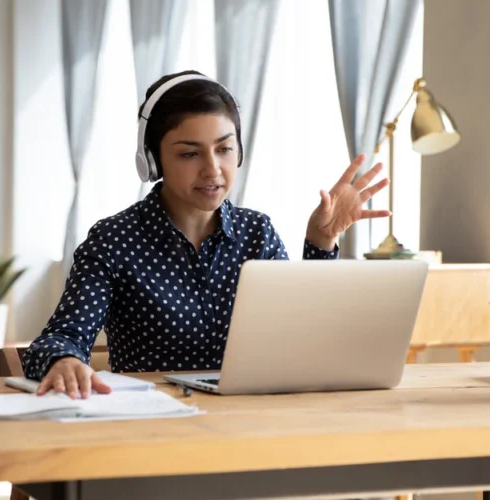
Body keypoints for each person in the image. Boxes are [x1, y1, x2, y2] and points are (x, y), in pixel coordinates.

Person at [20, 69, 390, 398]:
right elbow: (58, 339)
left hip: (251, 422)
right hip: (152, 426)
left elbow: (304, 337)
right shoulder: (113, 240)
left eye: (224, 148)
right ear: (153, 160)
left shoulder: (257, 233)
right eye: (189, 154)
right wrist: (65, 360)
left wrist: (321, 243)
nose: (213, 169)